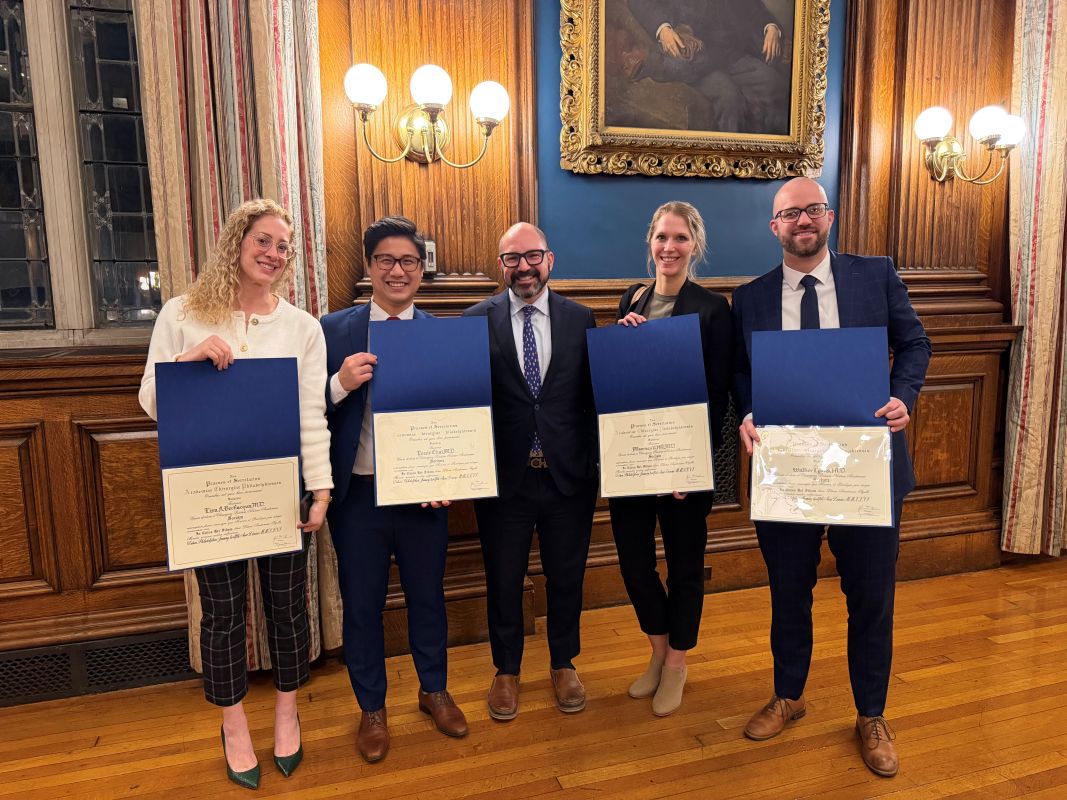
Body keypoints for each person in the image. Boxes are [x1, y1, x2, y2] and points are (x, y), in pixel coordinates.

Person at [731, 177, 931, 777]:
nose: (803, 221)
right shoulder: (750, 298)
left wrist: (904, 397)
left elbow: (915, 344)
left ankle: (871, 713)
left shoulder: (876, 276)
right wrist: (747, 411)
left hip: (864, 465)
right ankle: (788, 694)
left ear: (830, 216)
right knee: (788, 591)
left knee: (871, 597)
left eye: (813, 209)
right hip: (788, 468)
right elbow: (741, 373)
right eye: (790, 213)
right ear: (774, 227)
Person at [138, 198, 331, 789]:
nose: (273, 253)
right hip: (208, 491)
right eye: (263, 240)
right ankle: (233, 724)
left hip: (280, 487)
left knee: (288, 607)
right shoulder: (182, 314)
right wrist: (187, 361)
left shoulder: (302, 327)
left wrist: (321, 488)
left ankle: (287, 712)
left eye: (283, 246)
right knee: (222, 614)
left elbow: (310, 413)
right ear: (236, 242)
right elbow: (151, 402)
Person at [321, 216, 467, 764]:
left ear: (421, 270)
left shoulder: (442, 334)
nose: (397, 271)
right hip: (357, 496)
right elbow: (301, 407)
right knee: (362, 604)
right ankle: (372, 708)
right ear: (369, 266)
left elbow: (458, 414)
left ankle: (434, 690)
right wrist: (339, 384)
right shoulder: (331, 330)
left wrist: (449, 476)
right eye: (386, 260)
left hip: (423, 494)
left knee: (428, 596)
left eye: (408, 261)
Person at [463, 223, 598, 720]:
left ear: (550, 259)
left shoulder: (581, 319)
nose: (524, 267)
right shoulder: (474, 320)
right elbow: (464, 402)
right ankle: (506, 670)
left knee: (567, 576)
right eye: (512, 258)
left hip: (568, 477)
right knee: (503, 578)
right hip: (505, 479)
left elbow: (593, 396)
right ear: (500, 265)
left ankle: (564, 663)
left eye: (533, 256)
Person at [611, 201, 733, 716]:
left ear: (695, 245)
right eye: (662, 237)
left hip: (685, 466)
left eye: (680, 238)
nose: (669, 247)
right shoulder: (631, 298)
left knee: (684, 566)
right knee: (634, 564)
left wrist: (689, 463)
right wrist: (623, 338)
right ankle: (658, 653)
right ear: (650, 242)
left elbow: (719, 396)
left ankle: (678, 663)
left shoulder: (712, 308)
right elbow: (624, 381)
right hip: (635, 460)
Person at [626, 0, 789, 133]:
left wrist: (771, 27)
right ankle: (730, 158)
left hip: (732, 53)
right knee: (729, 98)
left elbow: (752, 6)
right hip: (697, 61)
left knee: (774, 84)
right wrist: (663, 29)